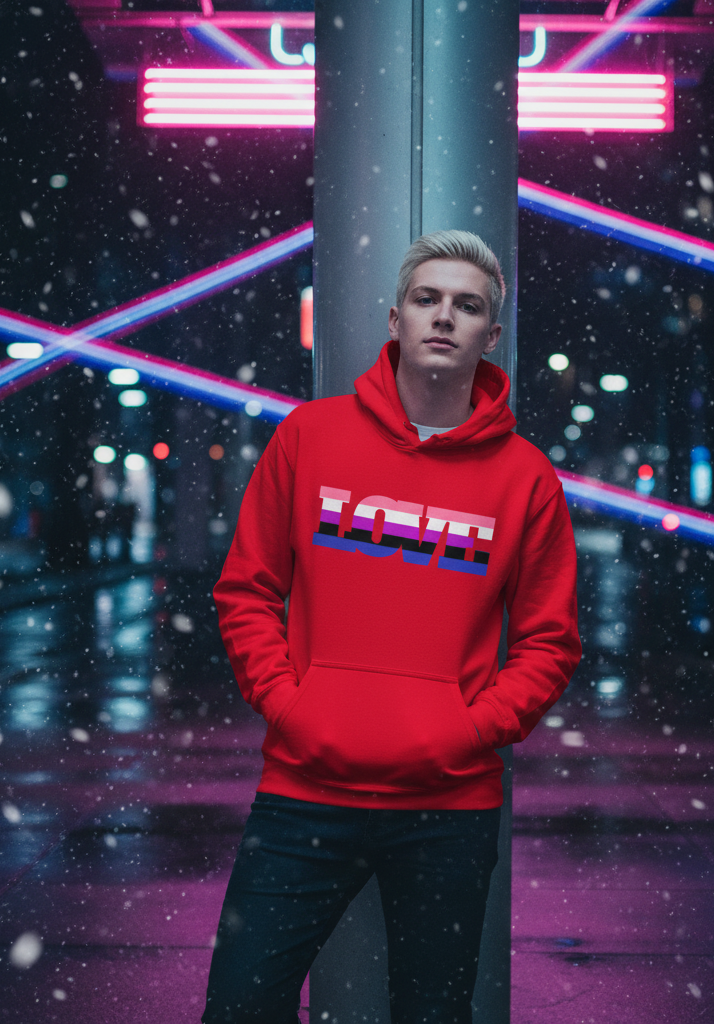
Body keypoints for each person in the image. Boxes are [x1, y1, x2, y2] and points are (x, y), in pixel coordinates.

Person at [203, 230, 581, 1024]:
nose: (444, 317)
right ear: (396, 319)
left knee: (432, 1013)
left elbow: (550, 640)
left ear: (490, 336)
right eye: (427, 299)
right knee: (241, 1005)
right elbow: (246, 591)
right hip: (303, 789)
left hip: (449, 806)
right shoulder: (309, 438)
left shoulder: (525, 478)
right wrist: (290, 706)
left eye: (467, 306)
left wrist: (470, 730)